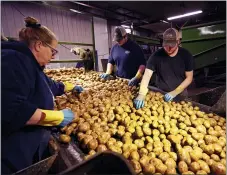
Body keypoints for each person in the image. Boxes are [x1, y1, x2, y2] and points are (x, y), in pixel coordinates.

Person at [1, 16, 83, 174]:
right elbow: (10, 109)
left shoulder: (30, 63)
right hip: (12, 159)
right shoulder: (12, 60)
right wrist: (57, 117)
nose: (53, 56)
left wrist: (70, 86)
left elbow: (48, 84)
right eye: (53, 51)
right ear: (39, 45)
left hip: (28, 152)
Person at [134, 28, 194, 109]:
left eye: (171, 45)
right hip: (161, 94)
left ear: (178, 41)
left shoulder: (186, 55)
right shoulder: (156, 56)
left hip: (181, 93)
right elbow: (147, 75)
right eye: (166, 45)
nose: (168, 48)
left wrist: (175, 92)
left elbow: (189, 78)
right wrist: (141, 93)